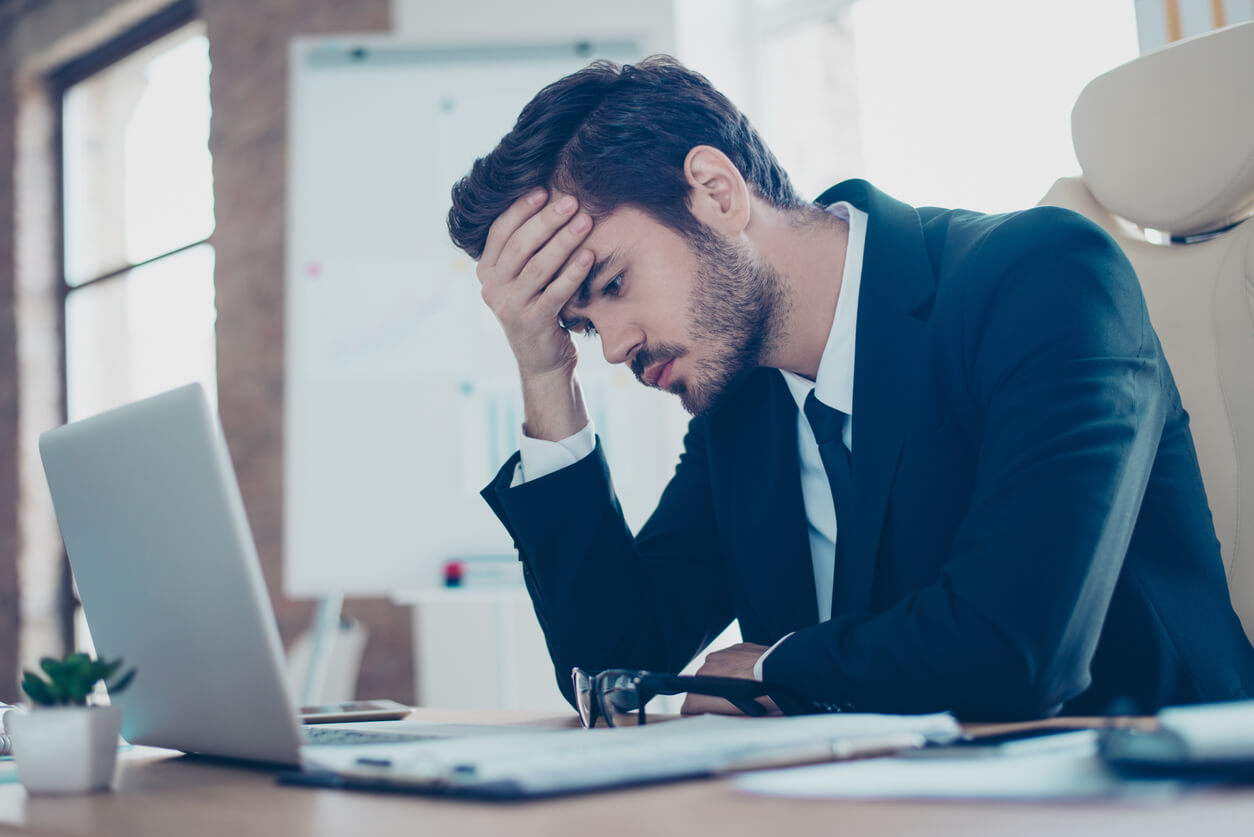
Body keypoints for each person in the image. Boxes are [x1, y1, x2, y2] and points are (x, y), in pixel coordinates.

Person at [445, 56, 1254, 720]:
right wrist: (545, 372)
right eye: (584, 325)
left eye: (614, 284)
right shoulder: (741, 401)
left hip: (1153, 797)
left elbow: (1018, 648)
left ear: (717, 193)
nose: (615, 347)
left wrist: (774, 668)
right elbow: (612, 669)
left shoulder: (1043, 278)